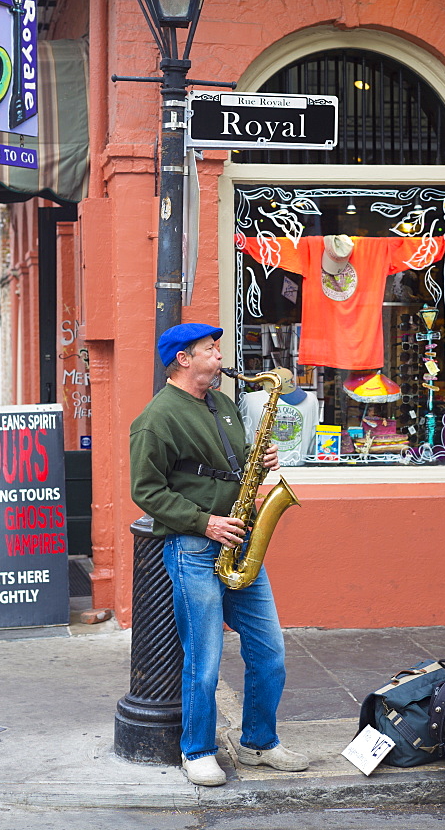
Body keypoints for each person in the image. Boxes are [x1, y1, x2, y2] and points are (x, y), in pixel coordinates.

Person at [130, 322, 309, 787]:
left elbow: (228, 464)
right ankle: (198, 751)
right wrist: (204, 522)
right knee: (204, 660)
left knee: (270, 652)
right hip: (195, 546)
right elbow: (146, 490)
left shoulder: (222, 403)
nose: (219, 356)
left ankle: (258, 743)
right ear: (183, 359)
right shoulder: (157, 417)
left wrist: (258, 458)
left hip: (243, 540)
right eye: (210, 349)